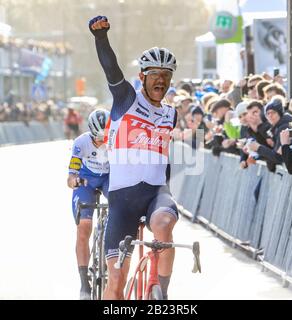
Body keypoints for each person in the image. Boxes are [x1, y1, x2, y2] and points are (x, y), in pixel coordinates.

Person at [89, 15, 179, 300]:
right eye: (154, 74)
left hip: (155, 194)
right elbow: (112, 70)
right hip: (122, 201)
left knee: (164, 225)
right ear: (142, 77)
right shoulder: (127, 98)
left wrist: (165, 187)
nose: (161, 80)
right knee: (116, 282)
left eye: (166, 76)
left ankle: (160, 294)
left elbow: (163, 156)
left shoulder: (171, 114)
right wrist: (100, 38)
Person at [67, 108, 110, 300]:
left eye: (106, 137)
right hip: (87, 180)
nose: (102, 142)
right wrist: (75, 181)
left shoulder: (117, 140)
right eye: (98, 138)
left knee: (122, 207)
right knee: (84, 226)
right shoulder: (81, 142)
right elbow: (71, 177)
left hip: (109, 178)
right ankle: (84, 282)